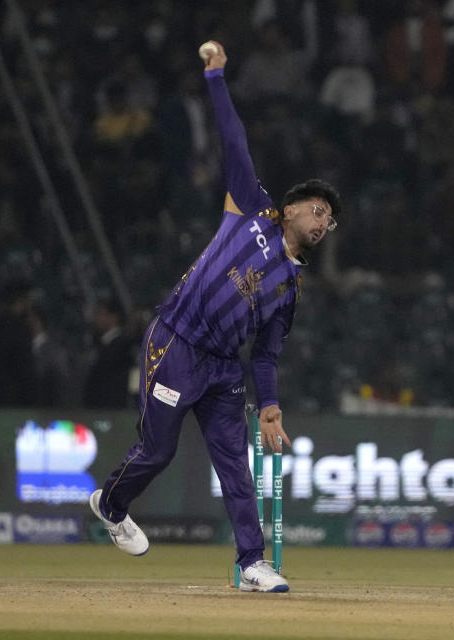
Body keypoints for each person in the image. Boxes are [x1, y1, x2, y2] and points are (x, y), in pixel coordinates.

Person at [88, 41, 342, 594]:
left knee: (236, 468)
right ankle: (110, 502)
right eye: (319, 210)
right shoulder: (251, 204)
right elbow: (233, 139)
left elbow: (268, 353)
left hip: (224, 369)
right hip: (176, 341)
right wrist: (217, 78)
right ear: (293, 206)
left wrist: (270, 407)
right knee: (158, 451)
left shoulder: (292, 285)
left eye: (331, 221)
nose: (324, 223)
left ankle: (253, 563)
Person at [82, 298, 134, 409]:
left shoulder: (121, 346)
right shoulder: (101, 345)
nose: (96, 318)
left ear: (113, 317)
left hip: (110, 409)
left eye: (100, 313)